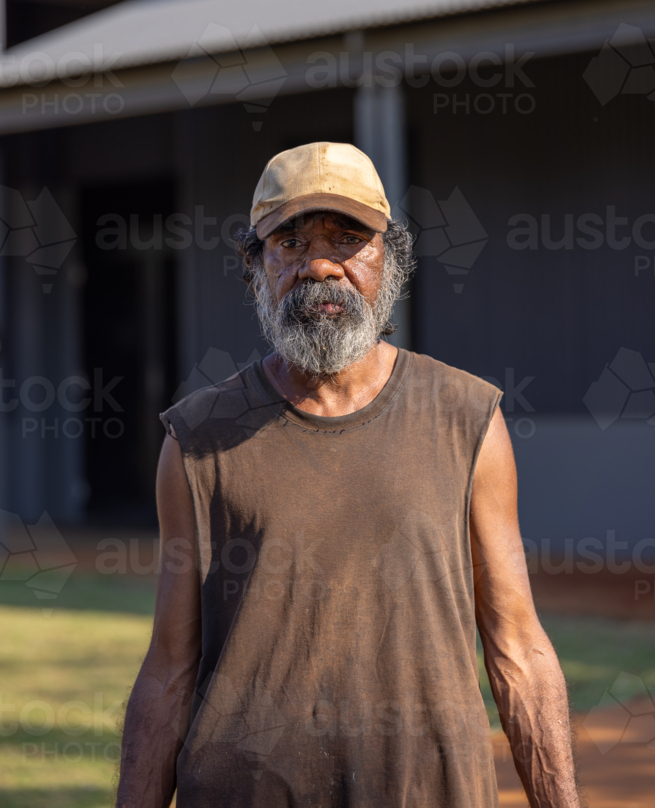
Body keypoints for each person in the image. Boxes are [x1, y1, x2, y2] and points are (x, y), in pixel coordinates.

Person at [116, 142, 582, 808]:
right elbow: (168, 669)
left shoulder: (465, 416)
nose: (321, 267)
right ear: (254, 269)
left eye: (347, 240)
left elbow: (517, 647)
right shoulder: (196, 439)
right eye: (290, 243)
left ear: (387, 262)